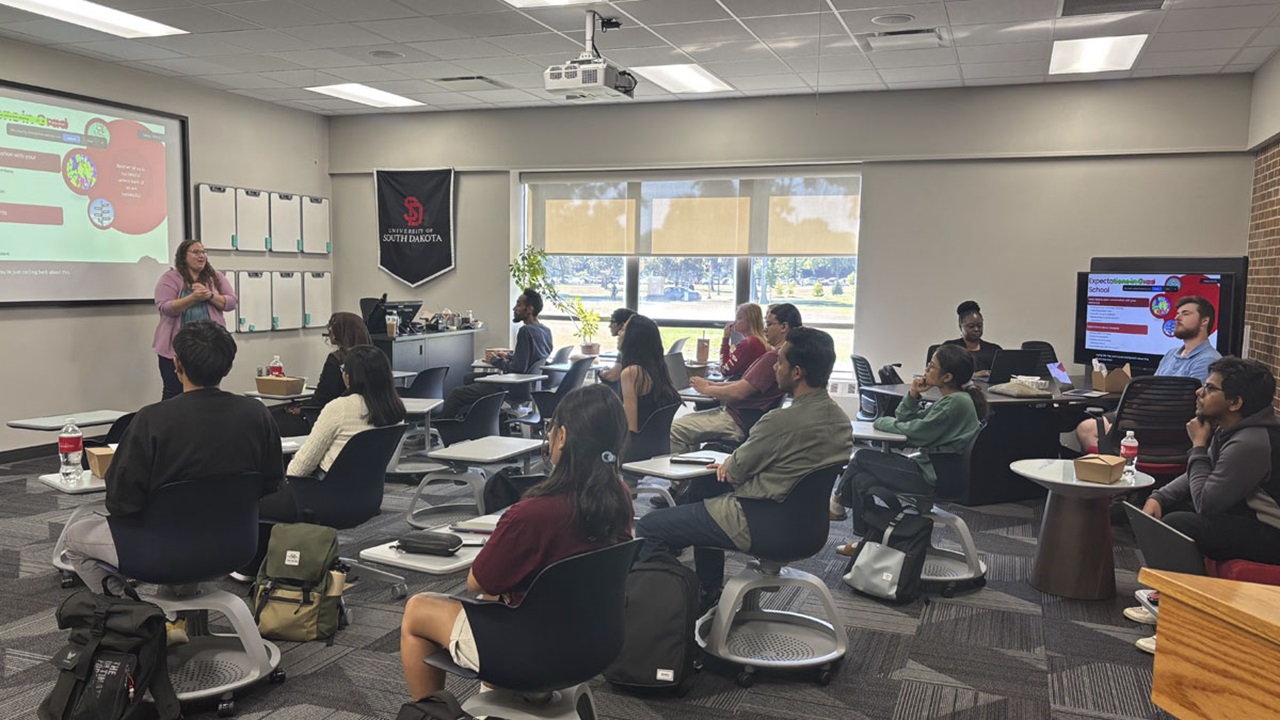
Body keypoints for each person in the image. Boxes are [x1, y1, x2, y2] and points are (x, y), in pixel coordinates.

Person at [398, 384, 633, 699]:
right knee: (498, 601)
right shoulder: (620, 498)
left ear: (562, 436)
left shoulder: (533, 513)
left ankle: (429, 711)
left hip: (532, 652)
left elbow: (477, 582)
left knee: (418, 609)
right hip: (596, 644)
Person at [636, 327, 854, 608]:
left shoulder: (779, 422)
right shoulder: (841, 422)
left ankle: (669, 610)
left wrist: (732, 463)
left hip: (757, 519)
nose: (775, 368)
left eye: (780, 362)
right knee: (704, 488)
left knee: (652, 525)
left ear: (797, 372)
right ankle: (707, 590)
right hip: (809, 530)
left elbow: (736, 471)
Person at [60, 321, 283, 594]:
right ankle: (173, 621)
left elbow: (120, 502)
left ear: (176, 364)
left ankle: (132, 621)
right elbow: (272, 483)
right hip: (237, 547)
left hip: (161, 552)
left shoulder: (151, 420)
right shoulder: (258, 414)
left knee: (73, 538)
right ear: (228, 367)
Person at [1126, 356, 1280, 654]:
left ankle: (1182, 623)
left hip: (1271, 534)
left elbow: (1206, 502)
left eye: (1209, 389)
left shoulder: (1251, 441)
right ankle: (1169, 598)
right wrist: (1159, 497)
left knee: (1179, 524)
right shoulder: (1229, 427)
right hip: (1247, 516)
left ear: (1234, 403)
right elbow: (1201, 475)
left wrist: (1197, 445)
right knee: (1169, 509)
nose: (1199, 392)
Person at [831, 344, 987, 555]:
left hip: (934, 476)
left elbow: (916, 432)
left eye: (931, 366)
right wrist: (913, 394)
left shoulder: (956, 403)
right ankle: (866, 541)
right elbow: (906, 418)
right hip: (932, 470)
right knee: (861, 481)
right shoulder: (952, 400)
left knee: (862, 458)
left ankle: (838, 503)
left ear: (947, 377)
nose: (926, 369)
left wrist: (881, 422)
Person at [264, 345, 407, 518]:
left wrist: (283, 481)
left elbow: (300, 468)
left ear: (348, 377)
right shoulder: (395, 409)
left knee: (252, 505)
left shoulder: (340, 408)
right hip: (368, 500)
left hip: (324, 500)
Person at [1076, 295, 1223, 450]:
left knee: (1088, 430)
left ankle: (1113, 470)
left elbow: (1187, 404)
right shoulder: (1171, 354)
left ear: (1204, 321)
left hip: (1166, 424)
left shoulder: (1208, 360)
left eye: (1185, 314)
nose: (1177, 318)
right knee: (1086, 428)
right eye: (1177, 313)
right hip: (1143, 415)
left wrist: (1133, 412)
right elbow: (1154, 391)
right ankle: (1111, 468)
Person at [668, 303, 802, 454]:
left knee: (674, 430)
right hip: (744, 417)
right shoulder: (782, 353)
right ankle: (692, 469)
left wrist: (706, 389)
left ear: (784, 327)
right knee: (687, 425)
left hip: (737, 420)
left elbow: (738, 390)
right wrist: (712, 384)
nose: (765, 328)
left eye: (769, 324)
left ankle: (683, 476)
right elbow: (745, 383)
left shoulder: (772, 356)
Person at [153, 239, 237, 400]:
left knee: (208, 392)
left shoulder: (215, 277)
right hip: (175, 348)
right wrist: (193, 298)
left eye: (203, 252)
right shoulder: (171, 278)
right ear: (183, 256)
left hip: (209, 345)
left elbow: (231, 302)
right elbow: (165, 307)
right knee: (173, 392)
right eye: (196, 252)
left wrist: (210, 295)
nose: (201, 256)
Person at [616, 315, 680, 435]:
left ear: (633, 337)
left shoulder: (632, 373)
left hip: (639, 448)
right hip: (657, 443)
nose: (619, 332)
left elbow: (631, 429)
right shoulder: (656, 368)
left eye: (624, 329)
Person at [312, 312, 374, 409]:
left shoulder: (336, 360)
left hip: (337, 413)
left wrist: (300, 408)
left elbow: (322, 399)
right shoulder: (377, 358)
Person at [488, 288, 553, 375]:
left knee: (468, 383)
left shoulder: (525, 331)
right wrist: (508, 356)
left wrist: (494, 360)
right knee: (470, 377)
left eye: (518, 305)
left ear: (529, 309)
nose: (514, 309)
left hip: (517, 383)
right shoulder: (546, 331)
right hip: (533, 382)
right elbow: (531, 360)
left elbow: (518, 368)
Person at [940, 300, 1001, 377]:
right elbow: (941, 375)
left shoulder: (994, 350)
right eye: (971, 326)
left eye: (979, 325)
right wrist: (974, 375)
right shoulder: (950, 348)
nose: (976, 329)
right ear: (960, 327)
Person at [719, 303, 769, 380]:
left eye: (739, 318)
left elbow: (725, 370)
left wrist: (725, 339)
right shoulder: (760, 341)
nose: (735, 322)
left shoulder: (748, 343)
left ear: (750, 321)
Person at [598, 307, 635, 385]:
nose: (609, 326)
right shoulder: (638, 345)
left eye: (612, 322)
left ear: (623, 325)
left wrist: (601, 372)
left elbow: (612, 376)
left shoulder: (627, 347)